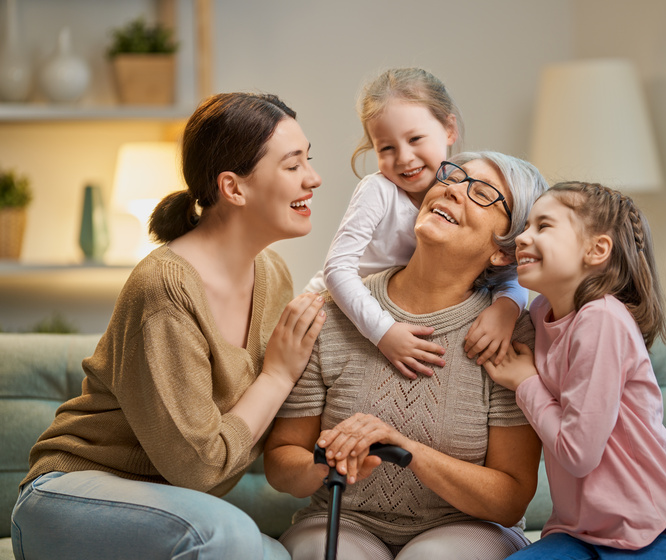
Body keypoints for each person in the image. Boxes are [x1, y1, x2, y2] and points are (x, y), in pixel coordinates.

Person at [10, 92, 325, 560]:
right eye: (293, 165)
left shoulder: (274, 274)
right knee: (228, 538)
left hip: (173, 512)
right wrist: (277, 375)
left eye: (309, 161)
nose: (313, 179)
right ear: (234, 188)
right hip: (69, 499)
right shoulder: (164, 288)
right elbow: (198, 470)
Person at [265, 152, 548, 560]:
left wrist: (403, 449)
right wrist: (328, 462)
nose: (452, 189)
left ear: (503, 252)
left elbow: (509, 499)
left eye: (483, 193)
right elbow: (280, 462)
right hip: (346, 519)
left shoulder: (512, 336)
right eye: (452, 176)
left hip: (469, 527)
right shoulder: (333, 313)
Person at [484, 182, 666, 559]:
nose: (522, 237)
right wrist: (504, 309)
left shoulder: (602, 319)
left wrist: (526, 383)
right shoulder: (541, 313)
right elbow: (506, 290)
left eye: (543, 226)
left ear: (597, 250)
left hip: (649, 532)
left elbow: (578, 453)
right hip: (578, 533)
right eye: (525, 226)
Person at [303, 68, 529, 380]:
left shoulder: (457, 191)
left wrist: (506, 310)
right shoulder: (378, 189)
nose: (404, 158)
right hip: (328, 307)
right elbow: (337, 269)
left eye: (415, 139)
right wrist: (384, 332)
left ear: (449, 129)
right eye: (386, 148)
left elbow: (510, 269)